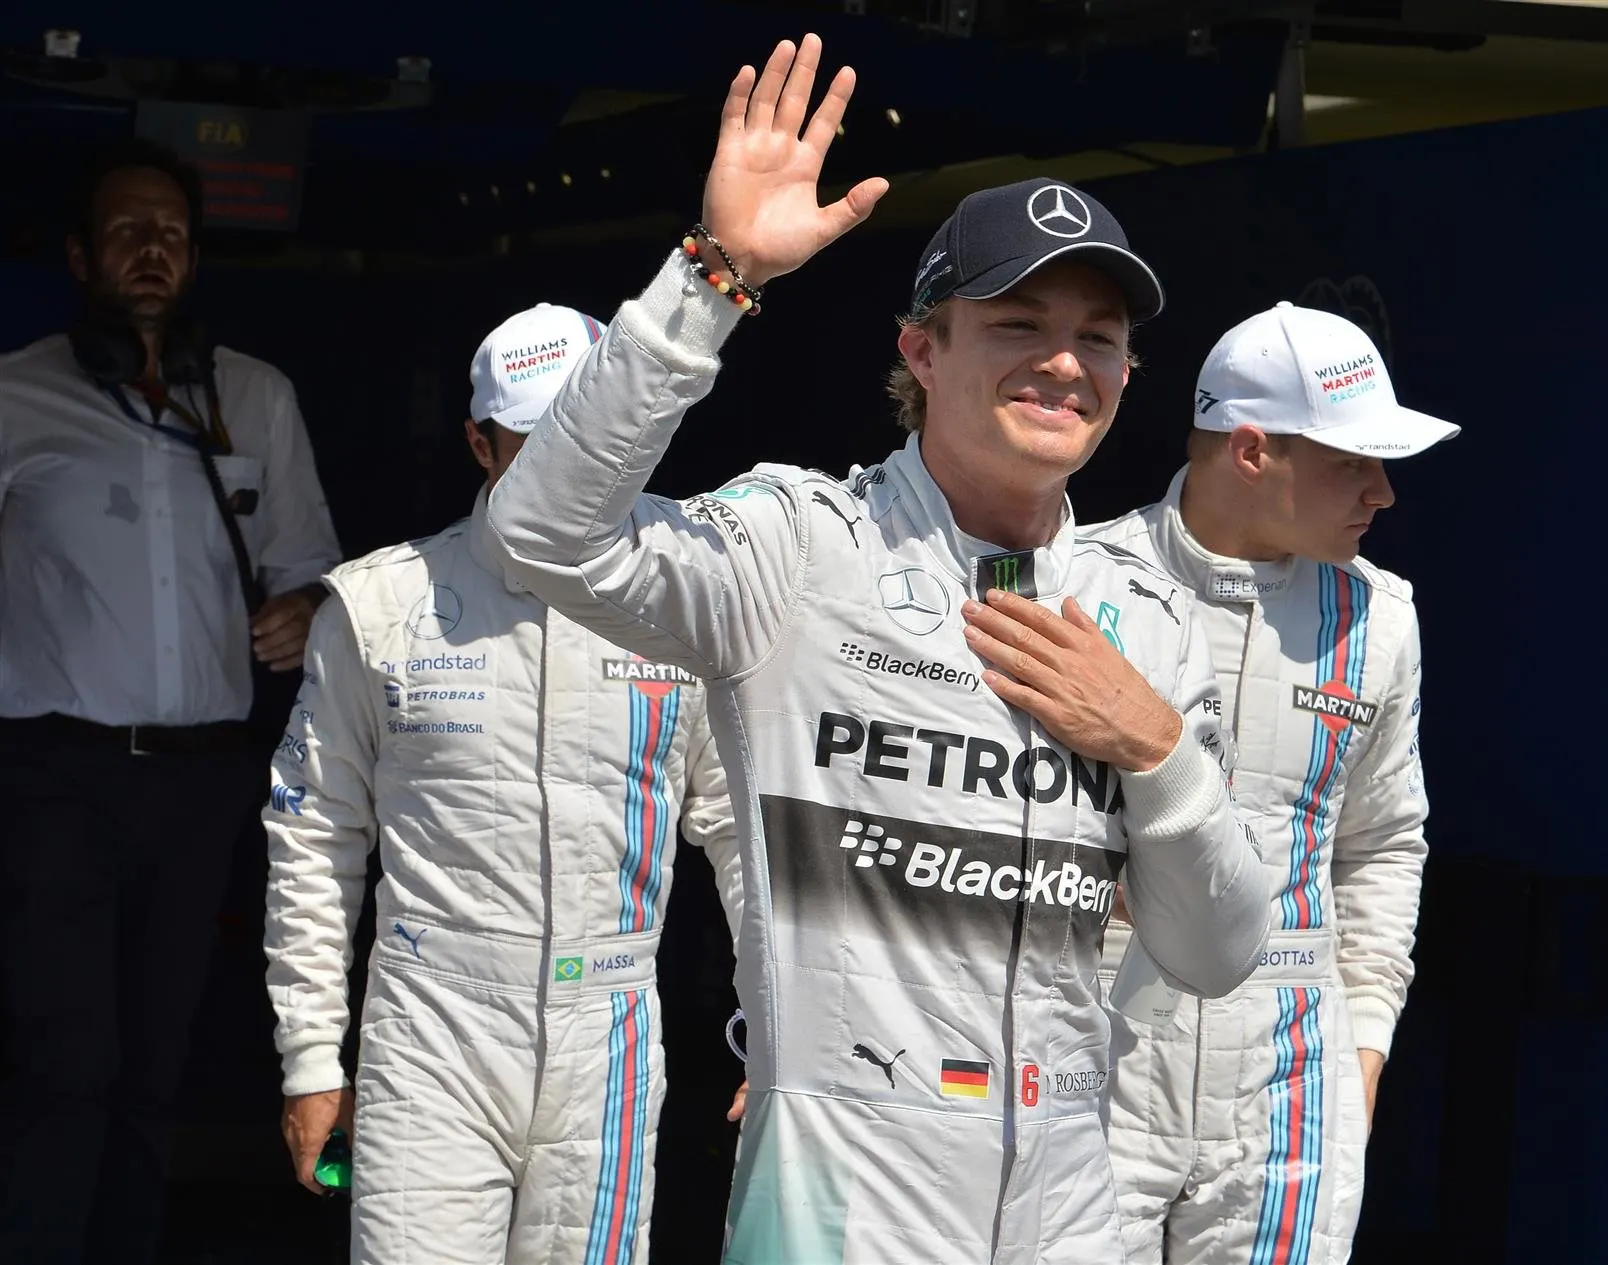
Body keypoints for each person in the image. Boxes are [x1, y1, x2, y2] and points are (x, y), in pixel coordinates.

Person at [488, 34, 1277, 1265]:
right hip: (843, 1190)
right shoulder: (800, 544)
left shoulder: (1151, 614)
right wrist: (712, 279)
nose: (1064, 360)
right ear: (923, 349)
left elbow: (1217, 952)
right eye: (1016, 320)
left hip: (1074, 1192)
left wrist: (1158, 753)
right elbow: (542, 534)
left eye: (1100, 336)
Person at [261, 301, 742, 1264]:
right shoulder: (381, 603)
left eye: (593, 437)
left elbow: (744, 832)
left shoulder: (692, 593)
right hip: (432, 1024)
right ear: (480, 443)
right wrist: (312, 1056)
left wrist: (781, 1028)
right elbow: (314, 835)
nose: (572, 468)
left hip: (605, 1028)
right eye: (538, 441)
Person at [0, 140, 340, 1265]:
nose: (152, 252)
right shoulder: (14, 394)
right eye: (127, 231)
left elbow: (316, 572)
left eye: (173, 236)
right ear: (79, 255)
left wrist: (303, 611)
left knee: (153, 1060)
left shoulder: (257, 394)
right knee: (66, 1059)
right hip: (54, 776)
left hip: (200, 779)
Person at [1088, 302, 1456, 1265]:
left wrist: (1365, 1046)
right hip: (1096, 1051)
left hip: (1293, 1076)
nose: (1382, 492)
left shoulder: (1382, 619)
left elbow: (1383, 844)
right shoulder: (1078, 581)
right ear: (1251, 452)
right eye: (1351, 462)